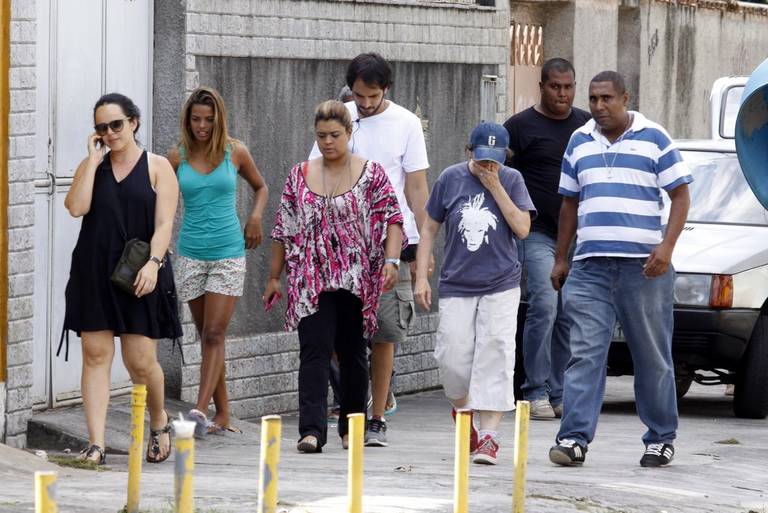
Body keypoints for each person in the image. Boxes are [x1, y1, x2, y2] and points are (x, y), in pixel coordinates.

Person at [548, 71, 692, 468]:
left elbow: (680, 196)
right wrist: (562, 258)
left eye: (606, 98)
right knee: (585, 353)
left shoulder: (655, 138)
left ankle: (660, 438)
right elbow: (569, 206)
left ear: (625, 98)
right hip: (590, 267)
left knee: (651, 355)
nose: (598, 106)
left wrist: (666, 247)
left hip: (644, 268)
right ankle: (573, 439)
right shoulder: (579, 141)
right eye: (593, 99)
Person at [265, 100, 403, 453]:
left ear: (349, 132)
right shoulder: (300, 175)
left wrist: (391, 261)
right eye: (321, 135)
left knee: (353, 350)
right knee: (314, 349)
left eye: (335, 135)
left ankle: (351, 426)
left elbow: (392, 219)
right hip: (311, 277)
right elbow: (283, 227)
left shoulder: (371, 173)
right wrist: (274, 277)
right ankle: (310, 430)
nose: (328, 142)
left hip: (357, 277)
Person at [311, 52, 431, 447]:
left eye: (373, 96)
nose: (365, 104)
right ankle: (352, 401)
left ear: (387, 89)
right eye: (359, 96)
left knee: (383, 332)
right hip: (342, 244)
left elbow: (415, 186)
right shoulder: (339, 120)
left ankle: (377, 416)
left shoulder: (406, 123)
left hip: (392, 242)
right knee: (338, 334)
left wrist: (423, 251)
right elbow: (314, 174)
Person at [62, 93, 182, 464]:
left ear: (134, 122)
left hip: (139, 271)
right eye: (102, 127)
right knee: (95, 354)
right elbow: (76, 207)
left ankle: (158, 420)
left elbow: (164, 224)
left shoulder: (158, 166)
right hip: (94, 269)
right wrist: (92, 159)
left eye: (116, 124)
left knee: (141, 361)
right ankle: (96, 443)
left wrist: (154, 263)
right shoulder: (92, 166)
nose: (110, 132)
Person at [414, 122, 536, 465]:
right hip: (456, 283)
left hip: (501, 283)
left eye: (495, 160)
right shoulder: (450, 178)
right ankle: (463, 410)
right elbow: (428, 228)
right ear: (469, 152)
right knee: (452, 357)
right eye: (483, 160)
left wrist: (495, 186)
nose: (488, 166)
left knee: (495, 351)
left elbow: (523, 228)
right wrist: (422, 276)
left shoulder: (512, 180)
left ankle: (489, 437)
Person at [168, 87, 269, 437]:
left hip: (228, 251)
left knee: (214, 332)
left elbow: (261, 187)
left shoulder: (234, 151)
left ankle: (198, 410)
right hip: (191, 253)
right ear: (187, 119)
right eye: (196, 119)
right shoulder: (176, 157)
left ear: (219, 119)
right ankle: (223, 412)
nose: (202, 126)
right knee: (208, 336)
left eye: (209, 120)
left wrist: (255, 217)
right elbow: (160, 198)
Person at [503, 58, 591, 420]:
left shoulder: (586, 125)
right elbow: (496, 169)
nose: (563, 94)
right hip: (537, 233)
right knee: (545, 305)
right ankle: (534, 390)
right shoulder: (521, 126)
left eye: (569, 87)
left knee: (569, 313)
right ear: (541, 86)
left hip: (577, 236)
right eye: (555, 86)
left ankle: (560, 392)